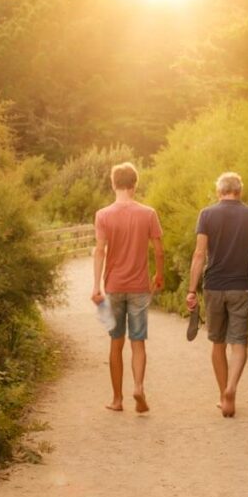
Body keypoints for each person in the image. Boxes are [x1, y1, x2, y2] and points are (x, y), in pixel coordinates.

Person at [185, 172, 248, 418]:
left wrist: (191, 290)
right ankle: (232, 388)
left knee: (217, 343)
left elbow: (199, 255)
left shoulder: (207, 215)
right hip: (242, 287)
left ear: (219, 191)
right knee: (239, 343)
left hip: (214, 287)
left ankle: (224, 395)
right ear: (239, 191)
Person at [92, 162, 164, 413]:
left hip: (113, 287)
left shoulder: (103, 215)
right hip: (139, 287)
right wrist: (159, 275)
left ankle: (117, 400)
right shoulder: (148, 213)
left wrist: (96, 287)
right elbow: (158, 249)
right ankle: (138, 387)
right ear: (135, 184)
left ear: (113, 184)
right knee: (138, 341)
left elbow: (99, 250)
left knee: (115, 342)